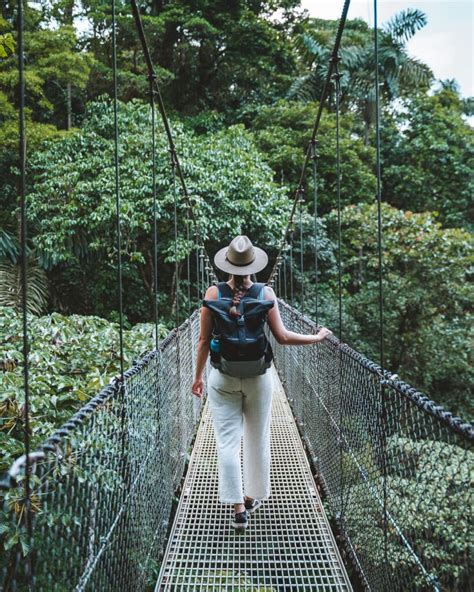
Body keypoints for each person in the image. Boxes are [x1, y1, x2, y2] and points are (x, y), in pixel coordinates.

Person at [191, 235, 332, 530]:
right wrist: (316, 338)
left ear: (227, 264)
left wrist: (197, 378)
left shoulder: (213, 293)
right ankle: (252, 494)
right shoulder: (265, 294)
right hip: (259, 378)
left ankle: (238, 508)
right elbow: (282, 337)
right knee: (257, 438)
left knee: (227, 442)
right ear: (253, 264)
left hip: (223, 377)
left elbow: (204, 340)